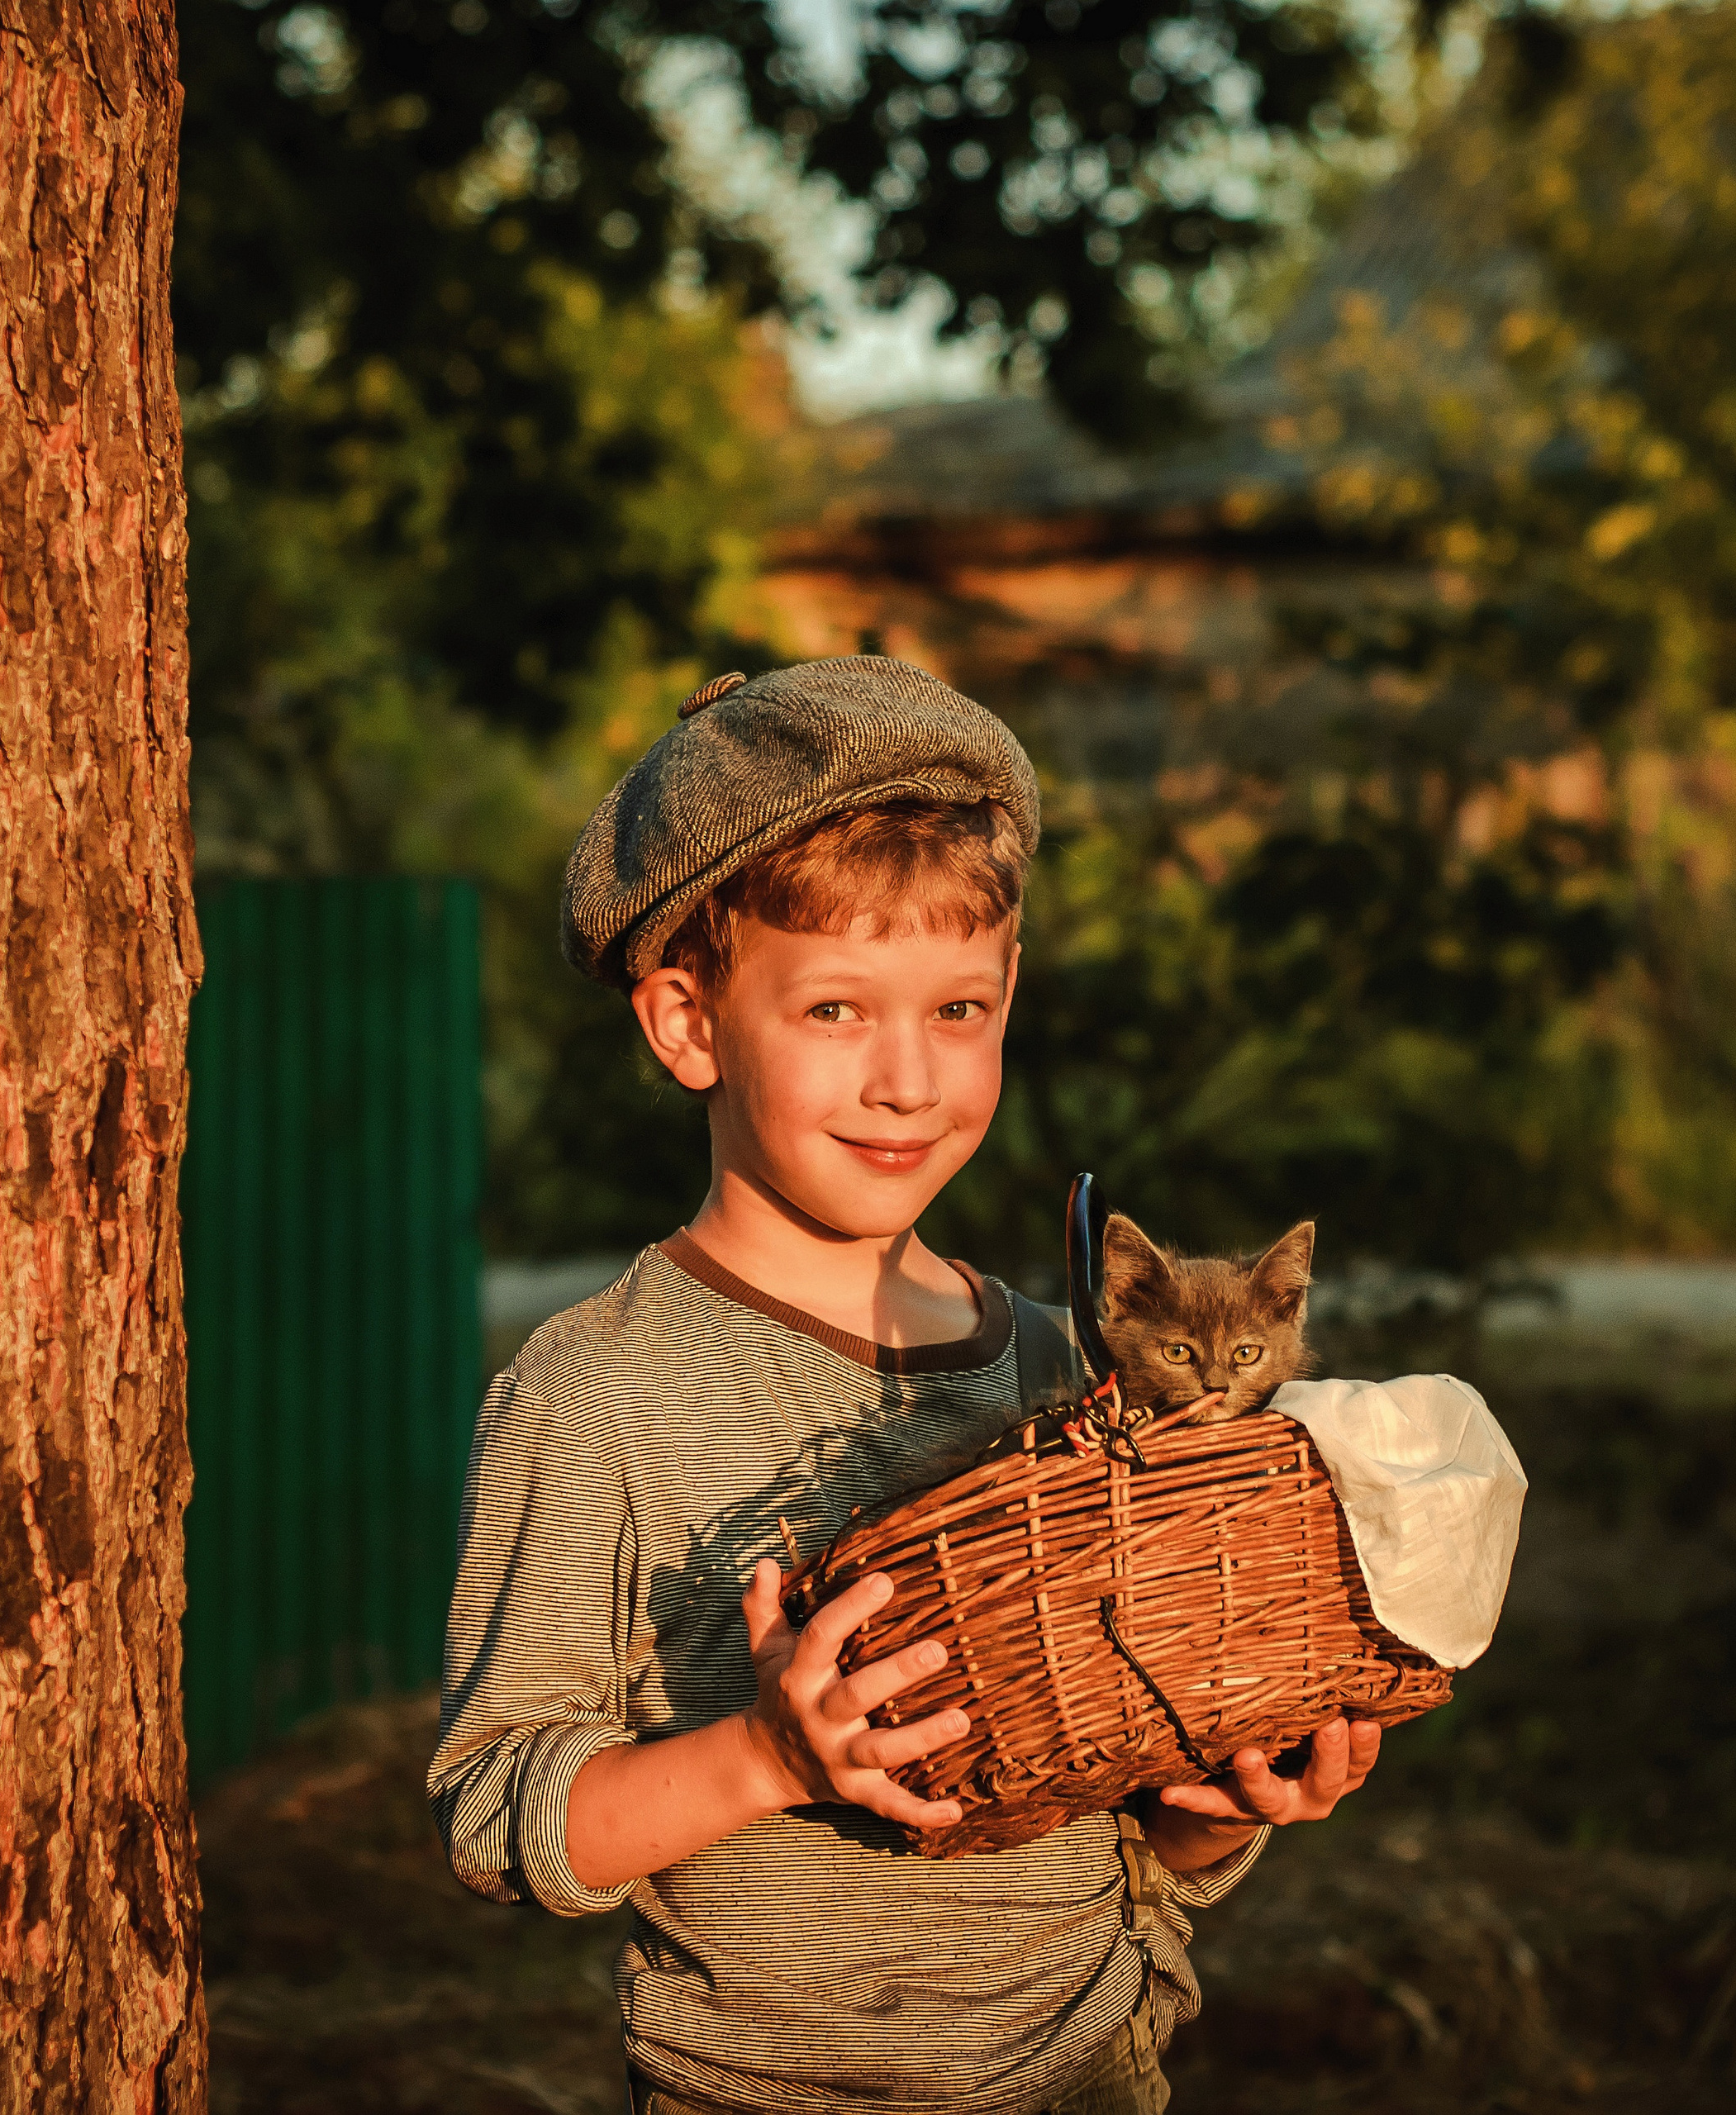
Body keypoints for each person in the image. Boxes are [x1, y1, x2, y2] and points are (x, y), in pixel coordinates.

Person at [428, 658, 1382, 2114]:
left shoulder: (1073, 1367)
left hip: (1095, 2073)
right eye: (833, 1013)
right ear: (687, 1023)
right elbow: (501, 1819)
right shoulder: (594, 1394)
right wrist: (763, 1755)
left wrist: (1216, 1803)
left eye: (959, 1010)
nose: (909, 1081)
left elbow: (1128, 1826)